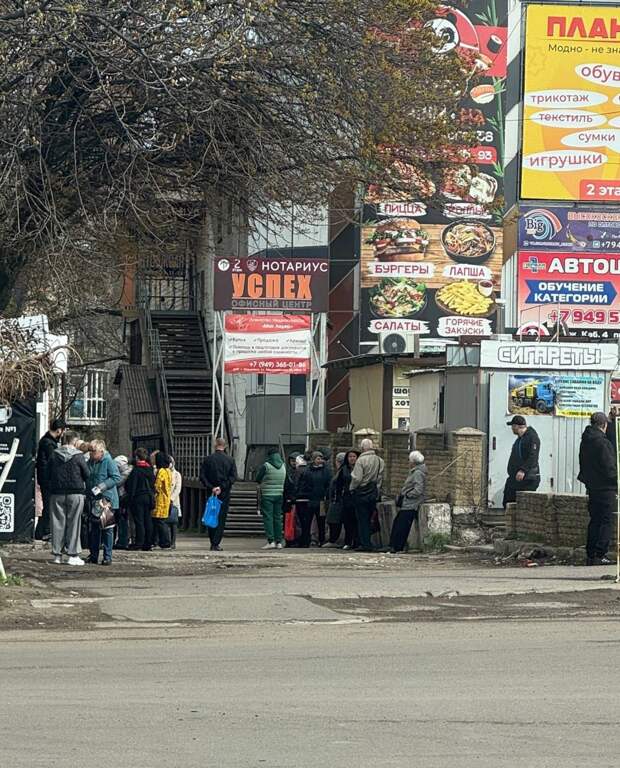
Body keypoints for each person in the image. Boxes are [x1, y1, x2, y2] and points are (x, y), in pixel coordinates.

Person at [578, 411, 617, 566]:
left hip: (592, 486)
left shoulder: (586, 440)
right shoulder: (602, 443)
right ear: (604, 425)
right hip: (606, 487)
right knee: (606, 521)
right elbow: (609, 468)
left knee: (594, 520)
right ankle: (600, 554)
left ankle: (591, 553)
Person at [48, 430, 89, 565]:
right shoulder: (79, 456)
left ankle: (57, 555)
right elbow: (87, 474)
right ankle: (73, 555)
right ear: (75, 441)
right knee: (74, 523)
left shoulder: (54, 454)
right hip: (75, 493)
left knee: (57, 523)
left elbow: (47, 471)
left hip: (57, 493)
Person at [87, 439, 122, 565]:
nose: (90, 453)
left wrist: (102, 486)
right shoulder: (90, 462)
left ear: (101, 451)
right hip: (94, 499)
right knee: (94, 528)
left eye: (93, 451)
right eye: (89, 451)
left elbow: (116, 477)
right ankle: (93, 555)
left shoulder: (108, 461)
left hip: (107, 500)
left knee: (107, 528)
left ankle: (107, 556)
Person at [199, 438, 237, 551]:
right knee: (221, 517)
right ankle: (216, 542)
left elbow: (202, 476)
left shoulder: (208, 459)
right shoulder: (230, 460)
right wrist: (221, 487)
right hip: (224, 493)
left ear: (215, 445)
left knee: (210, 514)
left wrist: (211, 487)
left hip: (211, 492)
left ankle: (212, 540)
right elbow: (233, 477)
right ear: (225, 446)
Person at [389, 451, 427, 554]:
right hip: (407, 503)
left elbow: (418, 489)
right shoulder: (415, 471)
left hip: (411, 504)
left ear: (413, 462)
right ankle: (394, 546)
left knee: (402, 526)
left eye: (409, 460)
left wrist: (407, 495)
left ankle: (397, 547)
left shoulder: (418, 473)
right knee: (398, 523)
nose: (408, 462)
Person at [350, 438, 384, 552]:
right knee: (370, 518)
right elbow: (380, 478)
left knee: (362, 520)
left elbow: (357, 478)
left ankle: (365, 544)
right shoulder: (380, 460)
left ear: (362, 448)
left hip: (361, 493)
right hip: (373, 493)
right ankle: (369, 541)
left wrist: (352, 488)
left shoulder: (361, 460)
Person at [35, 418, 66, 540]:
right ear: (59, 430)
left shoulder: (46, 441)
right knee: (48, 505)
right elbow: (53, 461)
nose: (62, 434)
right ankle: (44, 531)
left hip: (45, 478)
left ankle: (42, 531)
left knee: (48, 505)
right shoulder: (49, 443)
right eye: (62, 432)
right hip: (47, 479)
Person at [502, 416, 541, 508]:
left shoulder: (532, 437)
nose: (511, 428)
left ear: (517, 426)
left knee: (523, 505)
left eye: (512, 426)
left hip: (527, 479)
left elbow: (533, 456)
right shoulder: (520, 439)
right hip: (515, 478)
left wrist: (523, 470)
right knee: (507, 501)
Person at [295, 451, 331, 547]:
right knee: (307, 521)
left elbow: (328, 483)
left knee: (321, 521)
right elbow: (303, 484)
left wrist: (326, 494)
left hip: (321, 501)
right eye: (318, 458)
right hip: (310, 500)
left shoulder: (326, 471)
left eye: (321, 458)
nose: (320, 460)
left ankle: (321, 540)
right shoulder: (307, 471)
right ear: (313, 459)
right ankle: (306, 540)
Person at [326, 450, 360, 550]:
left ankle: (357, 541)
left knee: (357, 521)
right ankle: (348, 542)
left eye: (354, 456)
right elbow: (338, 485)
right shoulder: (344, 469)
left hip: (357, 498)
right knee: (347, 522)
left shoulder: (360, 468)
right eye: (350, 457)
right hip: (346, 499)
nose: (352, 458)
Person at [125, 447, 155, 551]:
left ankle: (139, 542)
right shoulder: (150, 469)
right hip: (149, 497)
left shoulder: (136, 470)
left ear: (137, 457)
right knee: (148, 520)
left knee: (139, 521)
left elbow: (132, 486)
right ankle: (148, 543)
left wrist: (130, 499)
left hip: (138, 497)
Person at [256, 447, 287, 549]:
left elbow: (258, 478)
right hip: (279, 495)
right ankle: (279, 542)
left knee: (268, 518)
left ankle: (271, 541)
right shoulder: (283, 465)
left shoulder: (266, 466)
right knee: (277, 518)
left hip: (267, 495)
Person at [152, 452, 172, 548]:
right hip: (166, 498)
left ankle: (165, 541)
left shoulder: (161, 472)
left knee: (160, 521)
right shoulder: (168, 471)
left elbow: (157, 485)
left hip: (160, 499)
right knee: (162, 520)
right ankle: (163, 541)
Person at [114, 455, 132, 549]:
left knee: (123, 520)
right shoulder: (127, 472)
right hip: (122, 497)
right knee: (122, 520)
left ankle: (123, 540)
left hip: (123, 497)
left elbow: (117, 482)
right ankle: (122, 539)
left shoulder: (125, 474)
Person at [169, 456, 183, 549]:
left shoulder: (177, 474)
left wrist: (171, 498)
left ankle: (173, 541)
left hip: (173, 501)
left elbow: (178, 488)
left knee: (173, 521)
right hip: (164, 500)